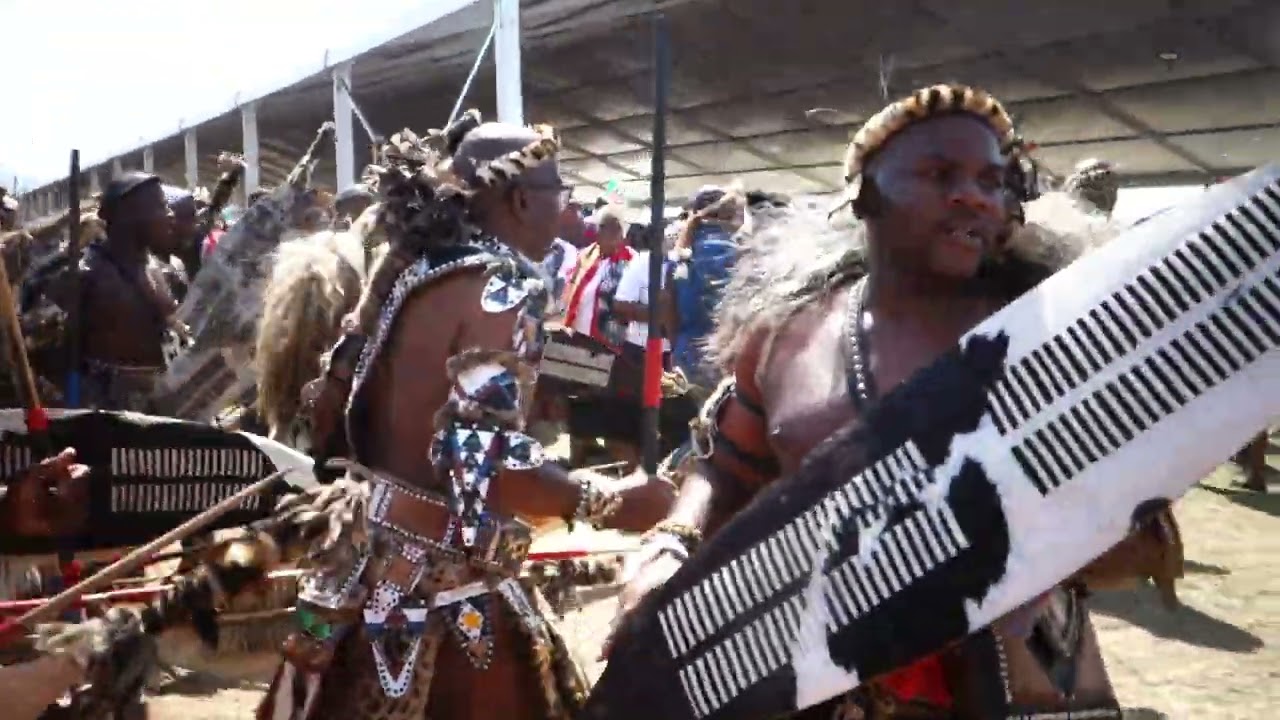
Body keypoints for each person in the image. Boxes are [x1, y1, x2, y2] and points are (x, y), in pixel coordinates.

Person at [611, 84, 1183, 719]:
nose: (974, 194)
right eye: (940, 173)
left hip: (1016, 681)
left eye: (992, 180)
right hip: (808, 675)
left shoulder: (1048, 331)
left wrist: (1045, 543)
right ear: (865, 195)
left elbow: (1141, 542)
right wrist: (671, 544)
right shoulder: (781, 335)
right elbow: (725, 467)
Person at [256, 113, 673, 720]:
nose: (566, 207)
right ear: (521, 198)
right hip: (442, 589)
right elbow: (483, 465)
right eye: (560, 191)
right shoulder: (504, 286)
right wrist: (611, 503)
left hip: (364, 563)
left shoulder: (419, 276)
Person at [21, 172, 178, 411]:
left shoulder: (164, 270)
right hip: (107, 416)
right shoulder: (85, 274)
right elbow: (34, 346)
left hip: (165, 405)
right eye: (160, 206)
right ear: (128, 214)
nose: (170, 215)